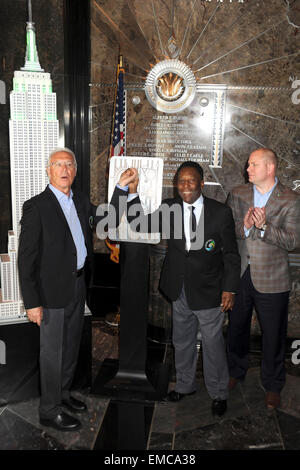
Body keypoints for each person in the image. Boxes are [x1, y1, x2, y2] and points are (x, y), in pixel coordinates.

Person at [18, 147, 135, 431]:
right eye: (58, 164)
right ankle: (49, 409)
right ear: (49, 170)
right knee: (52, 354)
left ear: (75, 170)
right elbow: (26, 260)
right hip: (50, 294)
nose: (64, 169)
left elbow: (107, 219)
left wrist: (121, 187)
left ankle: (64, 395)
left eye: (69, 164)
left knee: (70, 349)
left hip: (77, 286)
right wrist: (33, 303)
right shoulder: (37, 206)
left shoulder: (80, 200)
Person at [126, 161, 241, 416]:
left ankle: (219, 392)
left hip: (210, 290)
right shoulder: (169, 207)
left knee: (212, 345)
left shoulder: (220, 212)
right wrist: (133, 191)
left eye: (191, 181)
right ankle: (185, 385)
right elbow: (139, 225)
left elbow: (232, 256)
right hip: (178, 289)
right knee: (182, 340)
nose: (185, 186)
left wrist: (230, 289)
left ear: (202, 183)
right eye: (181, 181)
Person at [226, 148, 300, 410]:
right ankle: (235, 371)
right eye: (248, 165)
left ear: (270, 168)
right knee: (236, 327)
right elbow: (227, 231)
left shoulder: (290, 199)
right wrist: (245, 226)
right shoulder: (238, 194)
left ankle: (273, 384)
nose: (247, 169)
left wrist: (266, 228)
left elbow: (293, 241)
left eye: (253, 165)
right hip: (240, 275)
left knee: (273, 335)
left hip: (272, 278)